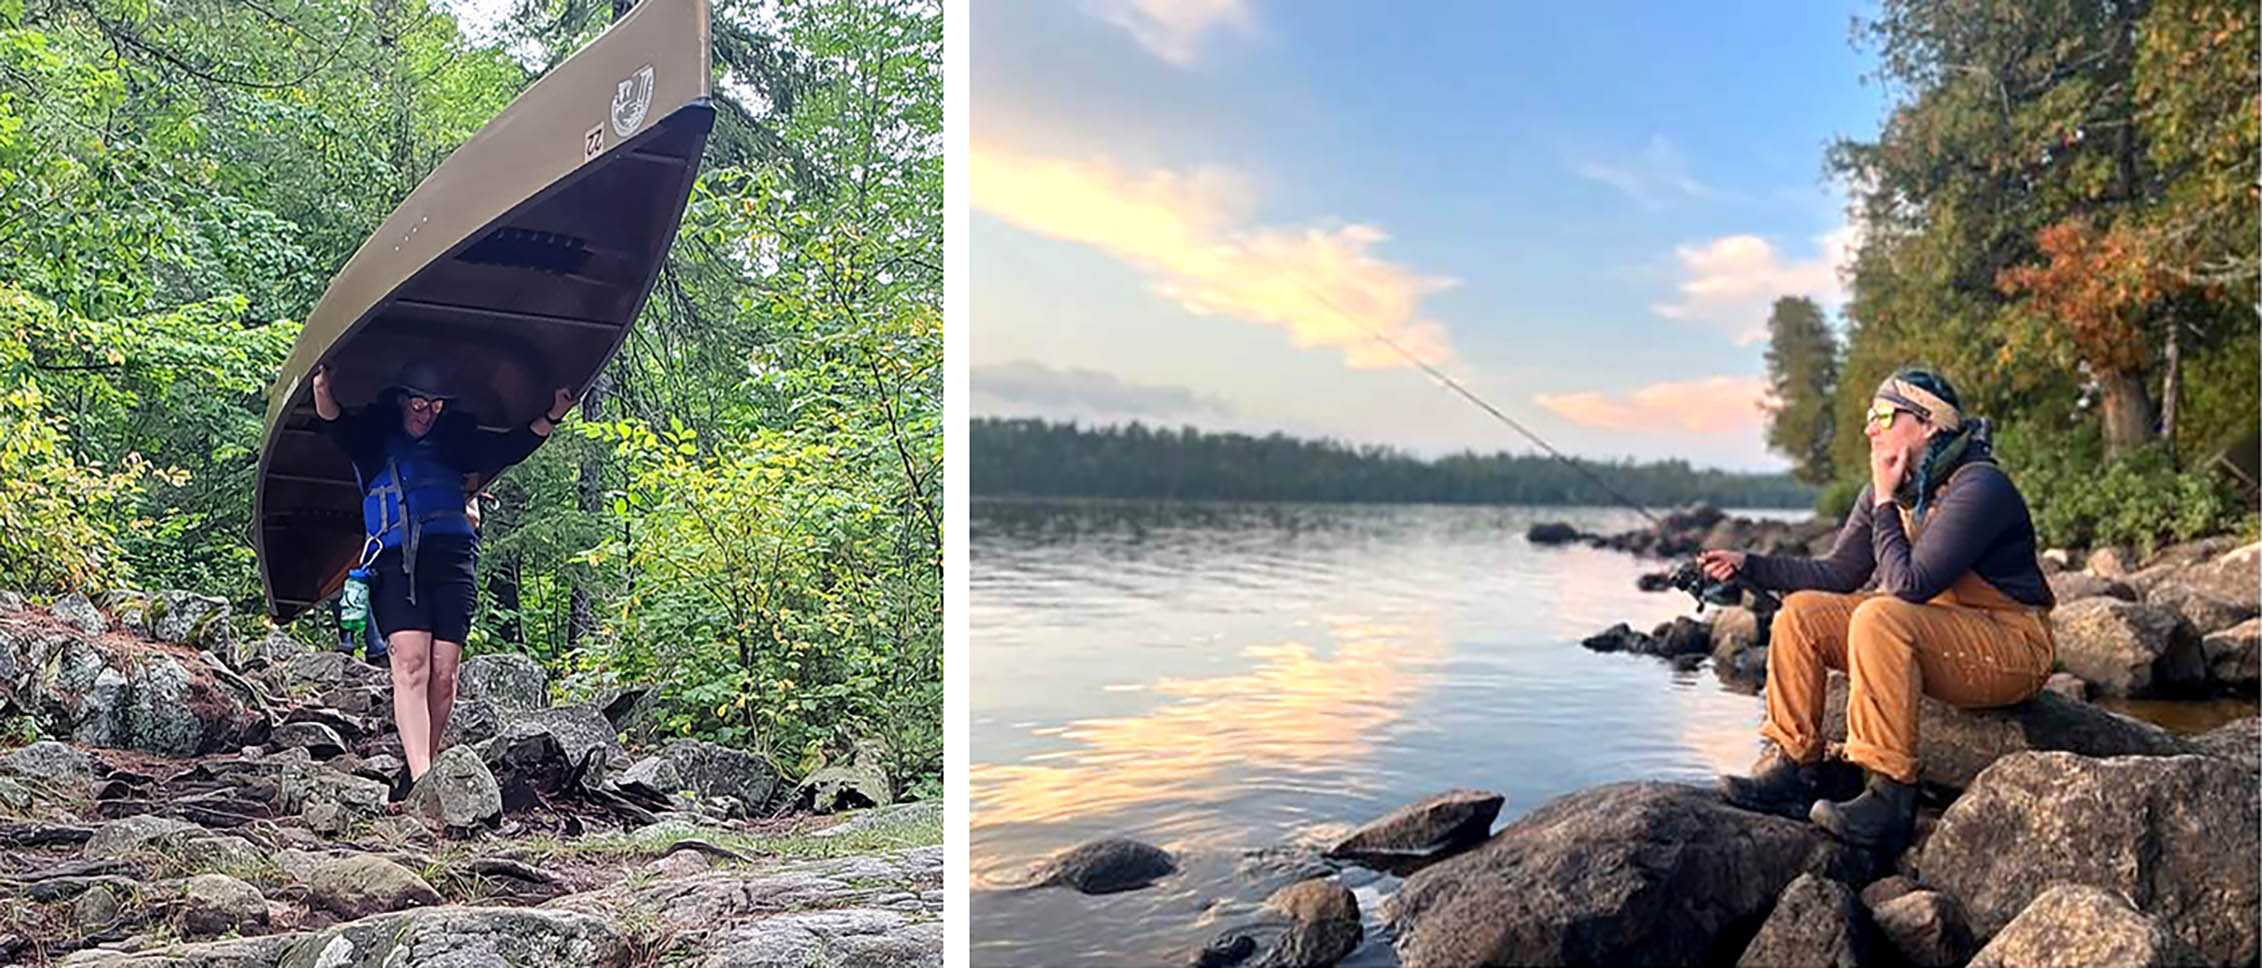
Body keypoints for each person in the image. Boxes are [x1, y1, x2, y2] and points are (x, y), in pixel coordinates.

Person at [1706, 368, 2055, 848]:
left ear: (1930, 423)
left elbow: (1906, 584)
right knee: (1802, 613)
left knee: (1879, 615)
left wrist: (1886, 503)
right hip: (1943, 632)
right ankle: (1796, 769)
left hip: (2013, 646)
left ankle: (1889, 796)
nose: (1871, 427)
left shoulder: (1980, 487)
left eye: (1884, 415)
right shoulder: (1894, 490)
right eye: (1870, 417)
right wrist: (1751, 565)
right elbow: (1836, 575)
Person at [311, 360, 575, 784]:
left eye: (434, 405)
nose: (425, 413)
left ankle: (424, 769)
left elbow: (508, 448)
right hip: (396, 563)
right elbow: (335, 425)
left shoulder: (457, 441)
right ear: (400, 401)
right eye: (418, 403)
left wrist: (552, 414)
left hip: (453, 561)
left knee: (444, 675)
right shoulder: (374, 439)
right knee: (411, 666)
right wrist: (323, 387)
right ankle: (422, 779)